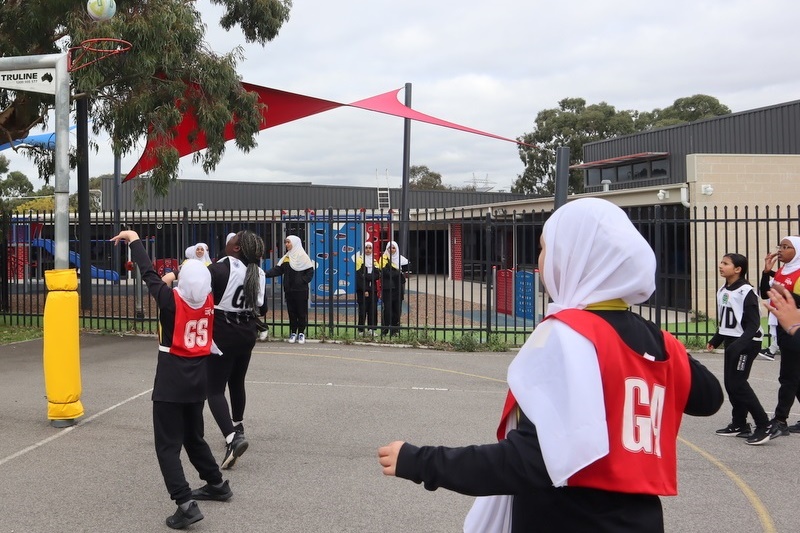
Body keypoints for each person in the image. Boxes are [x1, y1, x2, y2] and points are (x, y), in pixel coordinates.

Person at [377, 198, 723, 533]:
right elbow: (709, 399)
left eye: (545, 248)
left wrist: (420, 461)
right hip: (641, 520)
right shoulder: (661, 342)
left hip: (566, 518)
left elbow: (528, 462)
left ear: (574, 258)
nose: (541, 261)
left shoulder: (568, 336)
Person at [110, 229, 232, 530]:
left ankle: (185, 503)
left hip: (171, 380)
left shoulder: (170, 301)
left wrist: (135, 239)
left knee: (167, 446)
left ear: (181, 282)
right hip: (198, 379)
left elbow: (148, 273)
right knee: (193, 436)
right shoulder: (209, 301)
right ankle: (216, 483)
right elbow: (176, 281)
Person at [207, 230, 268, 469]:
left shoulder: (220, 269)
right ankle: (238, 424)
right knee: (237, 381)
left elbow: (198, 294)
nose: (230, 237)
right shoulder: (259, 273)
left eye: (235, 238)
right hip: (247, 331)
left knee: (213, 389)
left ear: (236, 248)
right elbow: (261, 308)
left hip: (224, 330)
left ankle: (233, 438)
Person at [706, 253, 770, 445]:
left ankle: (764, 425)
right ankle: (740, 423)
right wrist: (716, 340)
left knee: (738, 384)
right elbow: (726, 321)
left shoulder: (746, 292)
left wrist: (740, 345)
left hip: (747, 343)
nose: (720, 266)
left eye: (725, 263)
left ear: (737, 269)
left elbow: (753, 325)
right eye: (721, 262)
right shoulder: (722, 290)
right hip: (732, 342)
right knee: (730, 383)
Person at [759, 236, 800, 438]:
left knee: (788, 376)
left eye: (787, 247)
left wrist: (779, 288)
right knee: (795, 377)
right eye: (780, 246)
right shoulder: (783, 270)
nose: (781, 250)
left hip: (795, 327)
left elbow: (797, 302)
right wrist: (767, 272)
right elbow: (765, 293)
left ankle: (780, 420)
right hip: (782, 328)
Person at [264, 235, 315, 344]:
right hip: (289, 290)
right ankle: (293, 332)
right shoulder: (286, 257)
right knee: (291, 312)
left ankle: (301, 333)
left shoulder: (303, 256)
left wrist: (302, 281)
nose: (286, 244)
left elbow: (310, 272)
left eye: (288, 242)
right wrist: (264, 274)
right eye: (286, 242)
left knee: (301, 312)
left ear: (295, 243)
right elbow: (278, 270)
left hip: (301, 290)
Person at [377, 241, 408, 337]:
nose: (391, 250)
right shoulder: (383, 259)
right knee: (387, 310)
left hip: (398, 289)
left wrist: (396, 273)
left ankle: (395, 330)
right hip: (387, 289)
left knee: (397, 310)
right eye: (389, 248)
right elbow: (386, 273)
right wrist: (398, 273)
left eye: (393, 248)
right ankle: (385, 329)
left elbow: (407, 271)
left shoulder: (402, 260)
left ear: (396, 249)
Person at [355, 241, 381, 336]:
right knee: (363, 310)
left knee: (372, 310)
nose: (368, 250)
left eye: (370, 248)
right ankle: (361, 330)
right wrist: (365, 289)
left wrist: (368, 276)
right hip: (362, 290)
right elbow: (359, 276)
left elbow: (378, 275)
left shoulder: (374, 261)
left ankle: (372, 329)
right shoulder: (360, 260)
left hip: (373, 290)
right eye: (367, 248)